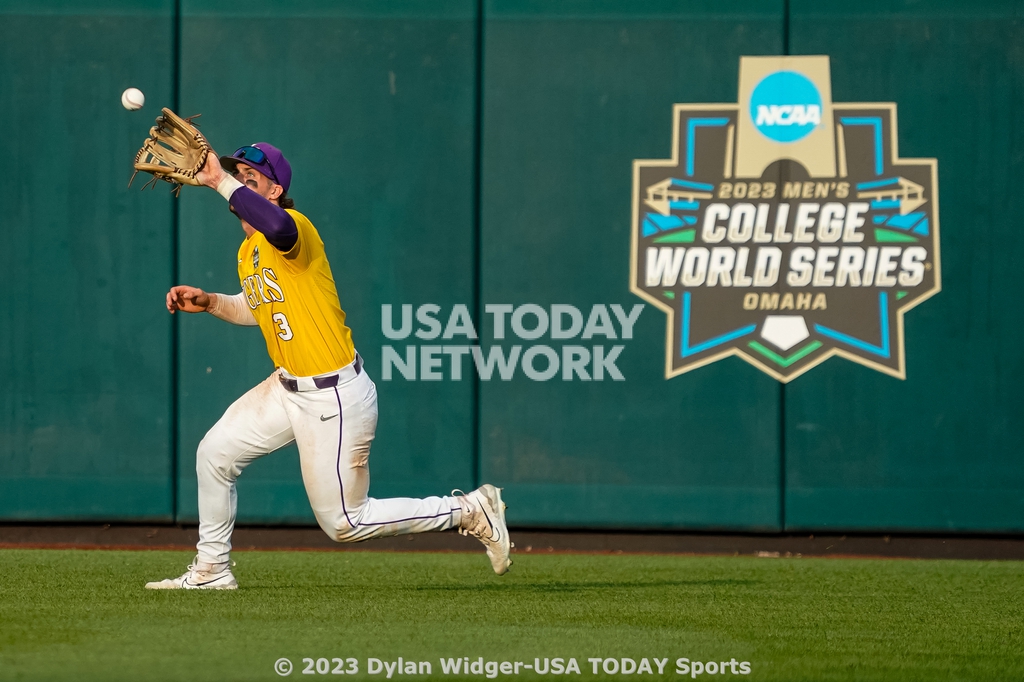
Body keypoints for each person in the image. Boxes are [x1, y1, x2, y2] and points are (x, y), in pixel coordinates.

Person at [145, 143, 511, 589]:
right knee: (214, 455)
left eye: (250, 177)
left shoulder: (292, 226)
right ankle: (211, 570)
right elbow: (258, 306)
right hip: (286, 388)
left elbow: (278, 224)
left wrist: (219, 180)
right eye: (236, 173)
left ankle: (468, 510)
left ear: (275, 189)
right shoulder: (248, 251)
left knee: (345, 522)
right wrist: (212, 302)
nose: (240, 180)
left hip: (333, 395)